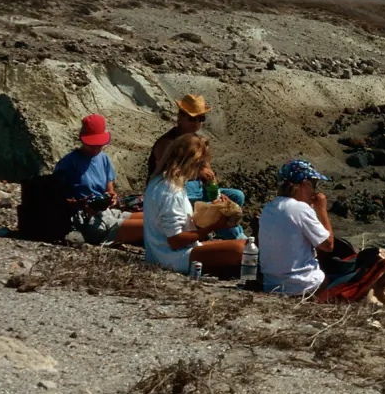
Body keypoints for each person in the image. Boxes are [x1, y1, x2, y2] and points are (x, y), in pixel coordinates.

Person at [258, 159, 385, 303]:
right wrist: (321, 210)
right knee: (376, 263)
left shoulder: (269, 208)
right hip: (302, 286)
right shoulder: (299, 209)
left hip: (272, 284)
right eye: (315, 185)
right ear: (306, 184)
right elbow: (328, 246)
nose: (315, 191)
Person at [142, 133, 245, 277]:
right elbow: (175, 241)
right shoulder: (171, 191)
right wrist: (214, 227)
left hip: (162, 253)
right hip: (172, 258)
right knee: (241, 250)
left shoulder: (162, 182)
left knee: (241, 246)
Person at [146, 95, 245, 240]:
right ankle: (233, 237)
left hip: (196, 188)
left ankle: (226, 231)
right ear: (180, 117)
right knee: (218, 213)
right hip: (178, 190)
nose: (197, 123)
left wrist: (216, 194)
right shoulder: (167, 143)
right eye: (193, 119)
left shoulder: (197, 142)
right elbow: (170, 176)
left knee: (237, 196)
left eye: (201, 118)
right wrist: (198, 173)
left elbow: (209, 172)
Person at [51, 114, 143, 245]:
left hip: (106, 213)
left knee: (155, 220)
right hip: (86, 220)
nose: (96, 148)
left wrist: (111, 198)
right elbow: (53, 198)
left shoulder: (104, 158)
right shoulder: (69, 163)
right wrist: (81, 204)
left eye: (99, 145)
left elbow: (109, 190)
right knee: (151, 227)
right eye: (91, 144)